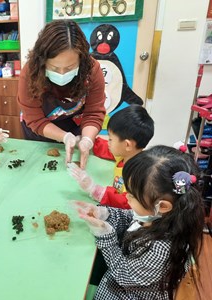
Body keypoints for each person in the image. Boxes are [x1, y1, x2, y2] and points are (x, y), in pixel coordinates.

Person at [73, 145, 204, 299]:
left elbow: (123, 275)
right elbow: (131, 217)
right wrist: (104, 213)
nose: (126, 197)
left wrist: (105, 235)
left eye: (132, 196)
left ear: (162, 206)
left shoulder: (161, 249)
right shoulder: (158, 216)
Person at [17, 19, 106, 168]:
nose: (62, 73)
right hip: (40, 130)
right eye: (54, 68)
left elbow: (94, 113)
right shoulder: (31, 72)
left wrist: (87, 140)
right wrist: (64, 137)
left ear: (81, 60)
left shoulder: (91, 70)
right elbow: (34, 118)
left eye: (70, 67)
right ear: (43, 61)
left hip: (74, 126)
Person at [68, 104, 154, 209]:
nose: (108, 142)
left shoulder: (137, 176)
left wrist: (95, 190)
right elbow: (106, 148)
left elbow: (127, 202)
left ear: (127, 144)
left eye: (111, 139)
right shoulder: (127, 153)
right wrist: (85, 141)